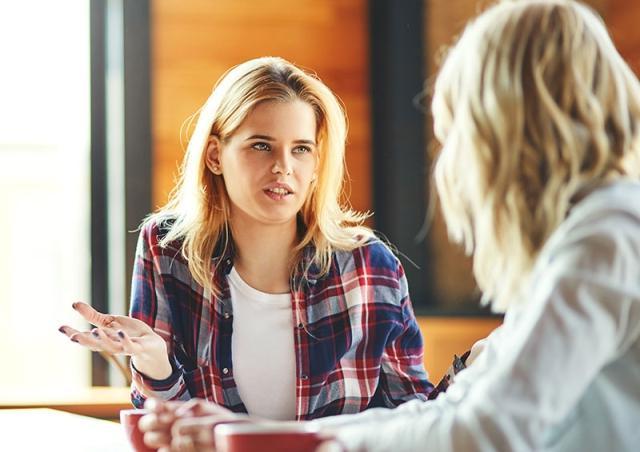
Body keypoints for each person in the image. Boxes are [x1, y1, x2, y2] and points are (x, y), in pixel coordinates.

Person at [139, 0, 640, 450]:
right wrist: (259, 435)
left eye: (463, 129)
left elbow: (482, 430)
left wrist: (282, 439)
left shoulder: (607, 238)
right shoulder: (592, 236)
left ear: (514, 125)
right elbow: (450, 414)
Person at [58, 57, 433, 425]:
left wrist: (472, 376)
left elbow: (414, 416)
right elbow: (166, 430)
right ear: (216, 155)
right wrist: (154, 362)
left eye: (301, 148)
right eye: (261, 145)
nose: (283, 166)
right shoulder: (168, 248)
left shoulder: (371, 267)